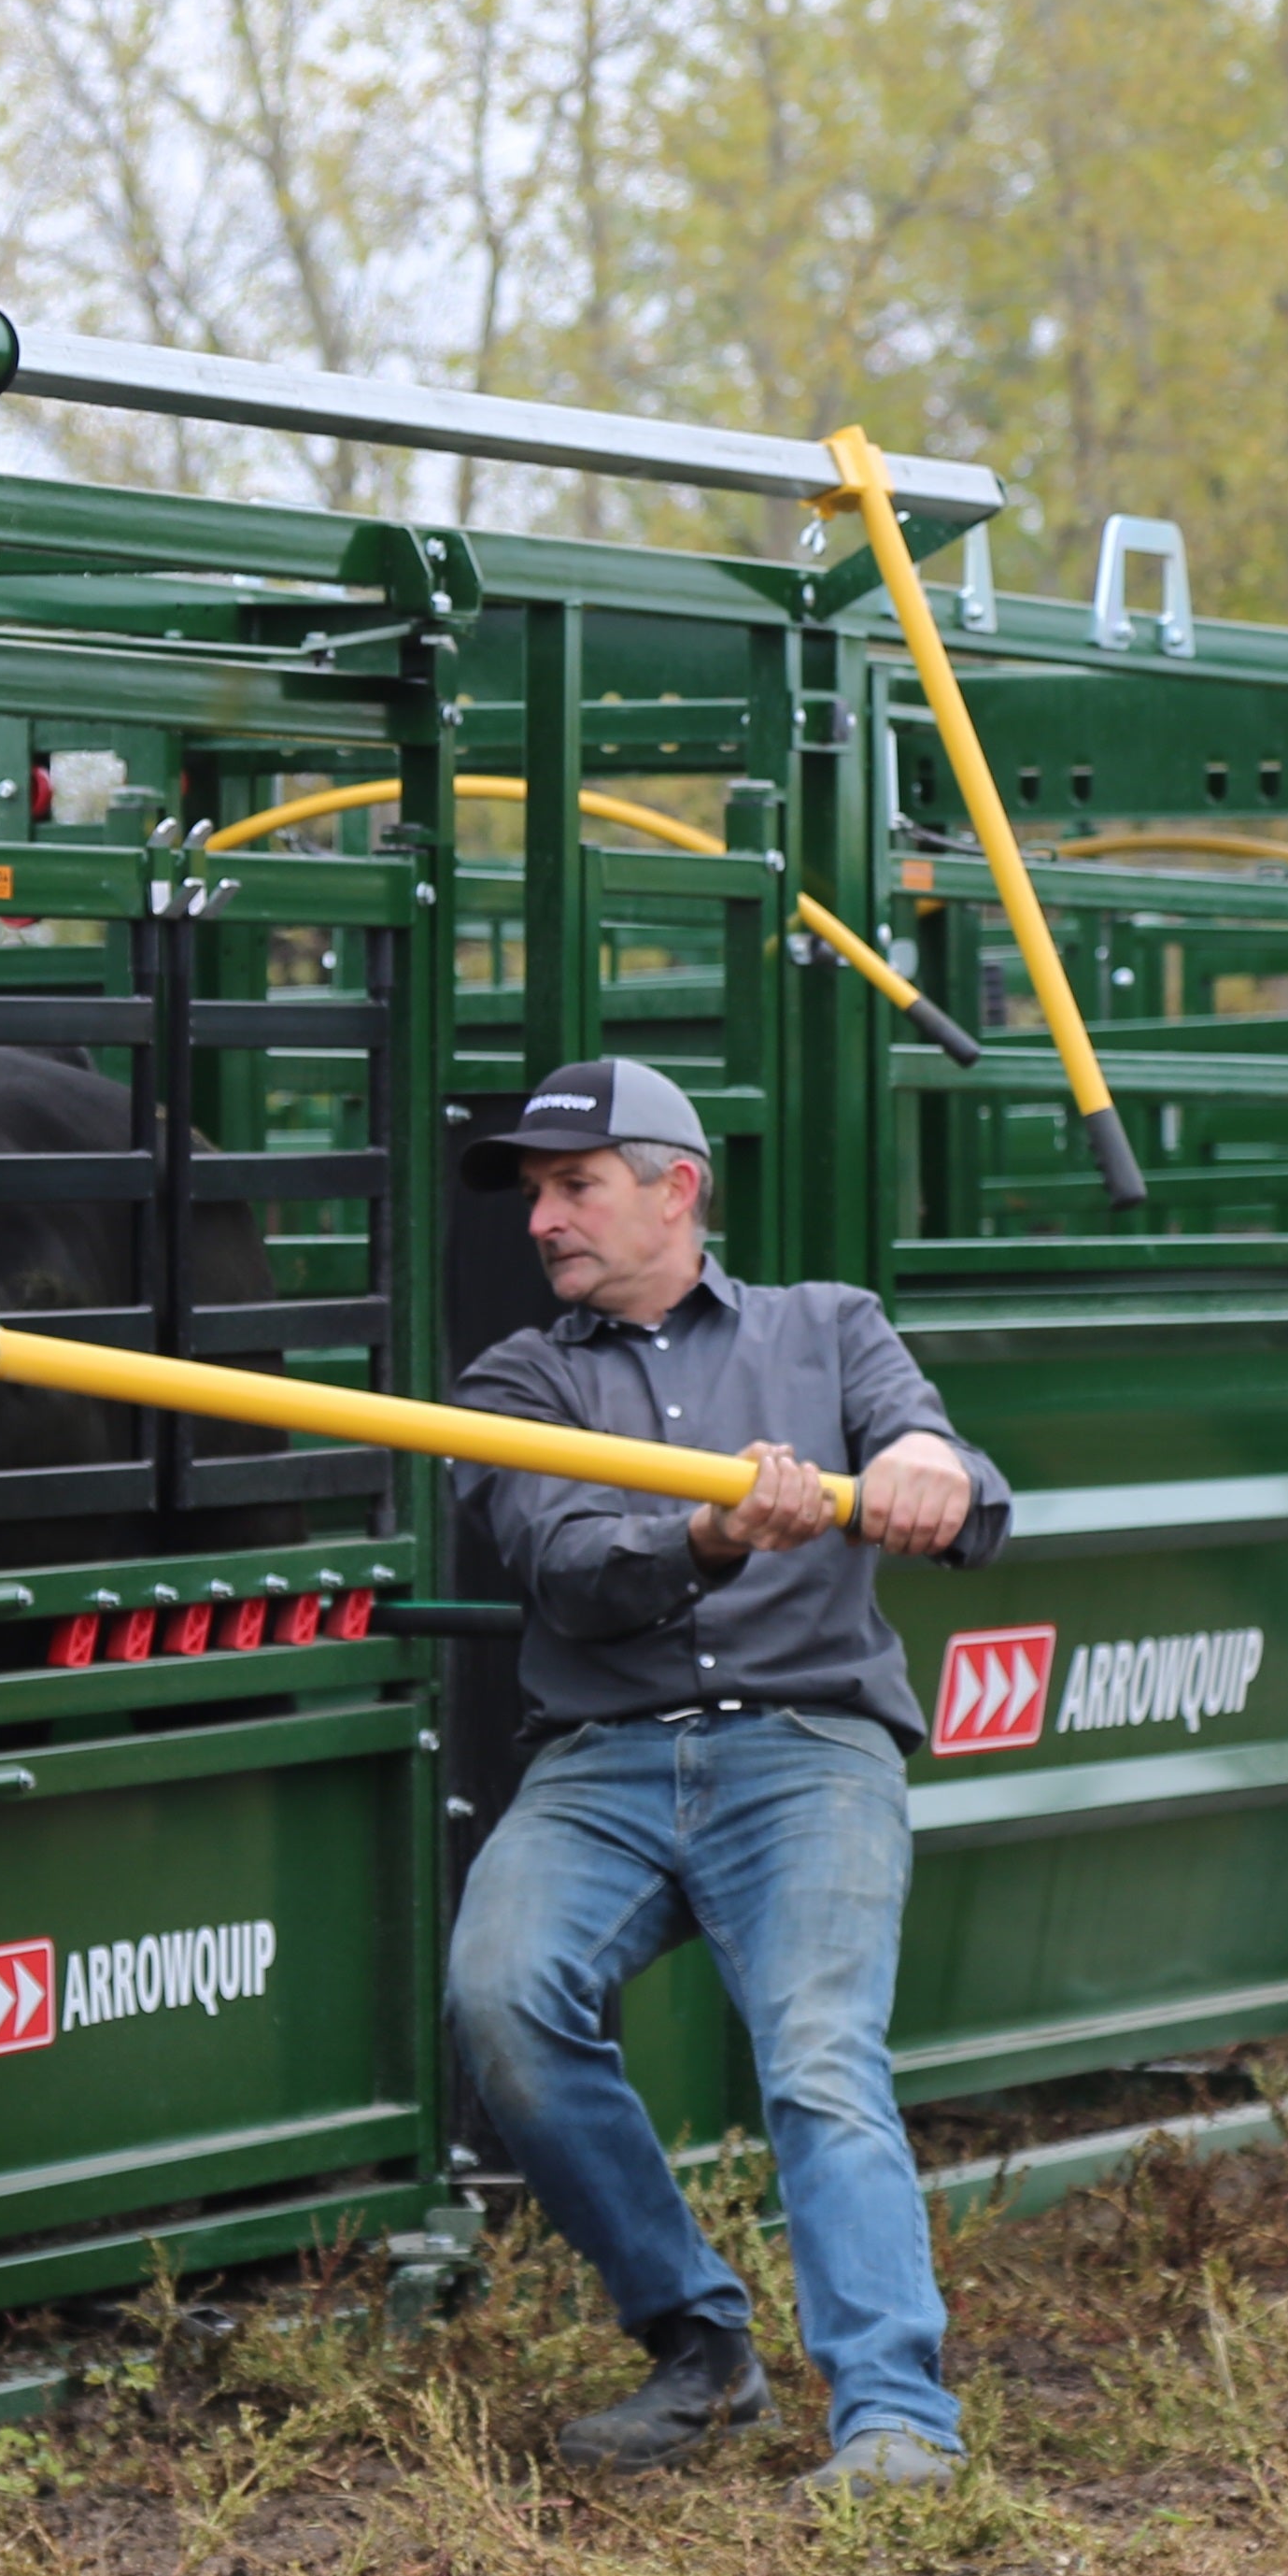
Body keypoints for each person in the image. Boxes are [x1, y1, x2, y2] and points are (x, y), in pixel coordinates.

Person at [443, 1055, 1012, 2498]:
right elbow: (569, 1578)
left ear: (675, 1188)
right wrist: (707, 1536)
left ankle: (894, 2425)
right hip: (603, 1757)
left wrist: (930, 1465)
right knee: (502, 1998)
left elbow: (945, 1467)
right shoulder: (517, 1382)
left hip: (805, 1747)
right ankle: (700, 2345)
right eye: (534, 1195)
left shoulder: (831, 1329)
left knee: (819, 2054)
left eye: (575, 1187)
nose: (543, 1222)